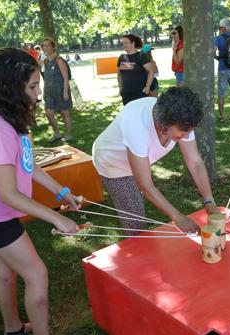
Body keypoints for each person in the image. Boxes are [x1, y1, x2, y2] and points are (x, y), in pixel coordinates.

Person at [0, 48, 83, 335]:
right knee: (36, 274)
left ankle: (14, 328)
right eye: (32, 87)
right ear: (9, 88)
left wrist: (63, 194)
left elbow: (30, 166)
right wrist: (56, 219)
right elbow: (8, 194)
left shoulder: (12, 119)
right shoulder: (0, 129)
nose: (38, 92)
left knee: (5, 273)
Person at [91, 87, 220, 234]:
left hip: (135, 158)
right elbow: (146, 185)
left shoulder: (182, 121)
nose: (187, 135)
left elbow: (195, 162)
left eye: (190, 130)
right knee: (135, 221)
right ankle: (136, 251)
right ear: (164, 123)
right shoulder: (137, 126)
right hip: (112, 163)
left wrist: (209, 200)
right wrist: (177, 217)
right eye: (184, 131)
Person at [41, 37, 73, 142]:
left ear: (53, 47)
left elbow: (66, 78)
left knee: (65, 113)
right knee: (49, 113)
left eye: (48, 45)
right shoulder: (44, 61)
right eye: (44, 46)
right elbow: (45, 77)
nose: (46, 47)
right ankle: (57, 133)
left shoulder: (59, 60)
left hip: (61, 91)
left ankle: (68, 135)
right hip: (49, 92)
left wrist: (65, 92)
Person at [117, 33, 156, 106]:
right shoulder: (122, 57)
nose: (124, 45)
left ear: (133, 43)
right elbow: (119, 74)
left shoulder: (140, 56)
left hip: (140, 93)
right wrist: (120, 87)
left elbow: (151, 71)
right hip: (126, 94)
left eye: (126, 43)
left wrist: (147, 87)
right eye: (123, 43)